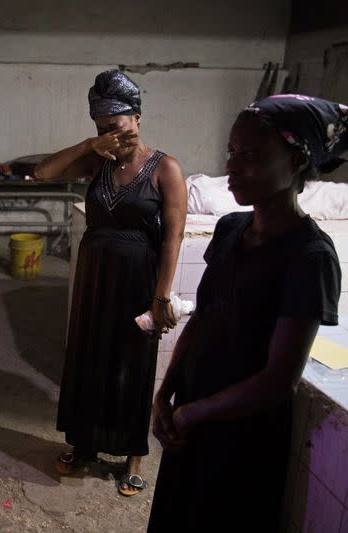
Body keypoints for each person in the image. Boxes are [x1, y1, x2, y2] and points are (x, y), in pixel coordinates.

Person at [148, 94, 346, 532]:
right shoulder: (231, 228)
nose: (234, 166)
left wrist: (194, 413)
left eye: (251, 155)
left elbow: (279, 380)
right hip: (193, 414)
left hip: (241, 437)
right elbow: (202, 319)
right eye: (232, 152)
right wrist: (167, 394)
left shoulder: (309, 257)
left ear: (295, 161)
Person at [35, 70, 187, 496]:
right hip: (95, 276)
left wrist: (161, 296)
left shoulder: (165, 168)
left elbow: (173, 235)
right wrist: (89, 146)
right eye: (100, 127)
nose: (109, 134)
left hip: (138, 279)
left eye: (115, 125)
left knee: (131, 366)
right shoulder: (96, 160)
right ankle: (85, 444)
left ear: (136, 118)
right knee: (89, 357)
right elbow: (43, 173)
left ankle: (133, 455)